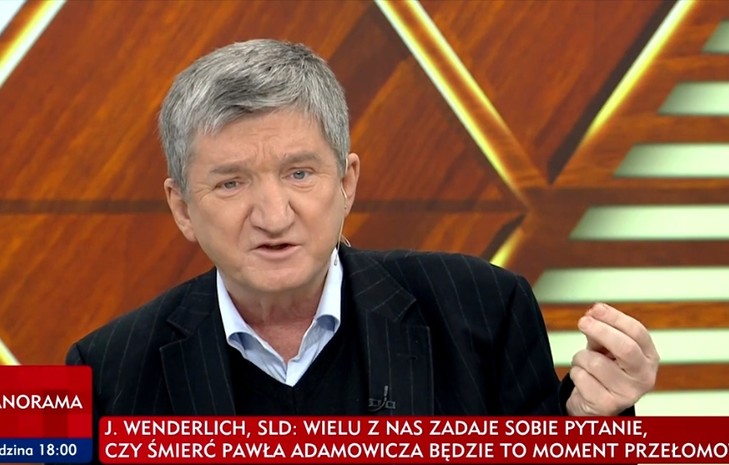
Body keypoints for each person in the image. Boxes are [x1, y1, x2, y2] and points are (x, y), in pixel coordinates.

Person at [67, 39, 658, 420]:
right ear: (182, 208)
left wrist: (594, 421)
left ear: (347, 182)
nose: (273, 215)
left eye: (300, 174)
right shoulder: (106, 373)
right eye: (230, 183)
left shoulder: (481, 311)